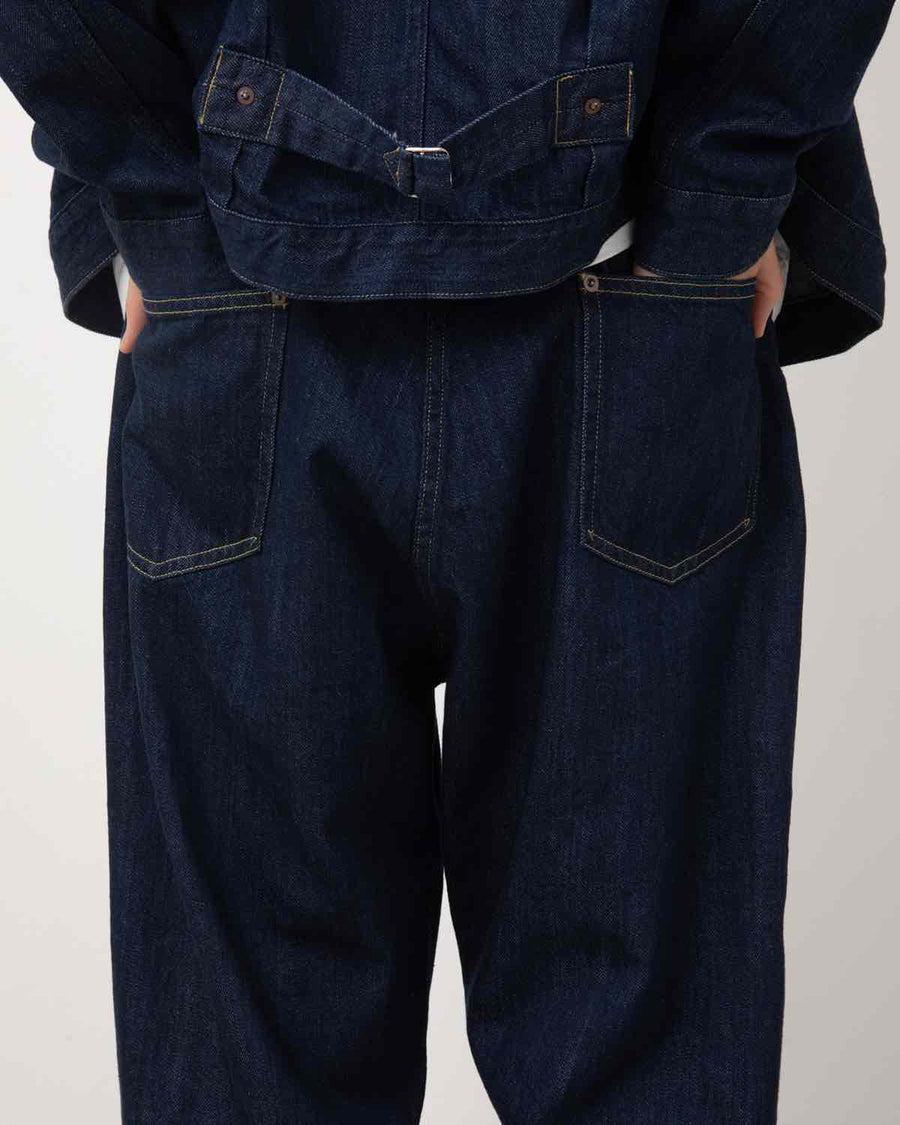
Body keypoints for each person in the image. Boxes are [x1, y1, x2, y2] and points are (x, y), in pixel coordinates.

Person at [0, 3, 895, 1123]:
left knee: (252, 1061)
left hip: (253, 315)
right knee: (637, 1055)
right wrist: (718, 192)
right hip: (629, 300)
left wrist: (155, 201)